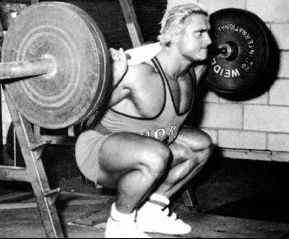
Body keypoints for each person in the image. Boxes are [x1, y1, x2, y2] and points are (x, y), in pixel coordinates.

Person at [75, 2, 213, 238]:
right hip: (98, 153)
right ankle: (120, 222)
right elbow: (80, 112)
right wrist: (115, 74)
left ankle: (152, 210)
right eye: (199, 33)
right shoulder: (139, 75)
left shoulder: (192, 73)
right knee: (157, 155)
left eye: (208, 32)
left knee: (202, 146)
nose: (209, 40)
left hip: (149, 144)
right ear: (173, 36)